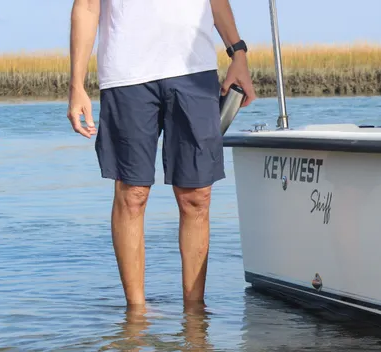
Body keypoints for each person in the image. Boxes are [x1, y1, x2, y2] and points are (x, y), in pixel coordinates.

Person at [67, 0, 256, 308]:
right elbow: (88, 7)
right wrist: (76, 84)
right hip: (126, 75)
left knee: (196, 196)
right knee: (132, 194)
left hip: (194, 71)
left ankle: (195, 318)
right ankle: (136, 316)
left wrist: (238, 52)